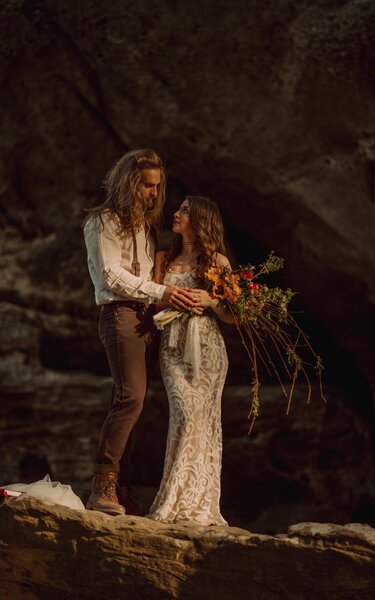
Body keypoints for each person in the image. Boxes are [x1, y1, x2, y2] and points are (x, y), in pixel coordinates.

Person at [82, 149, 195, 516]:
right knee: (130, 397)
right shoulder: (101, 222)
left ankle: (122, 488)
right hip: (119, 315)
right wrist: (163, 292)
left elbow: (148, 277)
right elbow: (111, 276)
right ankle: (102, 486)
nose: (153, 193)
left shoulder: (146, 228)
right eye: (147, 185)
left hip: (146, 319)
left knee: (138, 403)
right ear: (130, 183)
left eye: (156, 186)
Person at [147, 196, 234, 525]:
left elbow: (234, 315)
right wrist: (175, 300)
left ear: (200, 220)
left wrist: (210, 300)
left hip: (208, 351)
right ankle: (174, 500)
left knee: (202, 422)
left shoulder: (217, 262)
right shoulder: (162, 258)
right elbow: (154, 304)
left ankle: (198, 503)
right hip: (172, 347)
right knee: (184, 416)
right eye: (179, 208)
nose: (177, 213)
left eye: (185, 210)